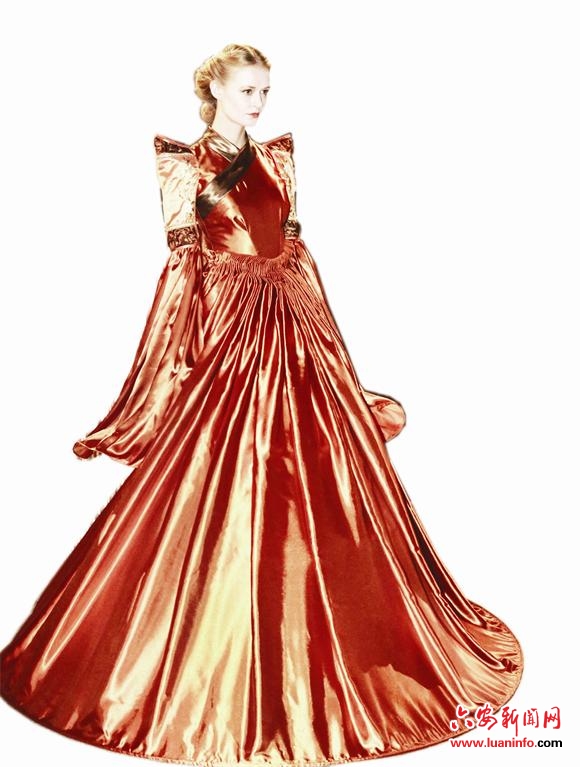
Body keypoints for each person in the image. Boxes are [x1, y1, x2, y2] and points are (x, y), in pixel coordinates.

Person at [0, 43, 522, 765]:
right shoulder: (185, 164)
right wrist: (179, 361)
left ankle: (338, 632)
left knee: (322, 481)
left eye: (265, 91)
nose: (258, 102)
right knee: (221, 478)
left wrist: (332, 350)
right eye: (247, 89)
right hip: (235, 334)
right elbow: (183, 271)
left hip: (294, 331)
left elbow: (299, 256)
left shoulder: (278, 159)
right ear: (214, 89)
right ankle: (204, 647)